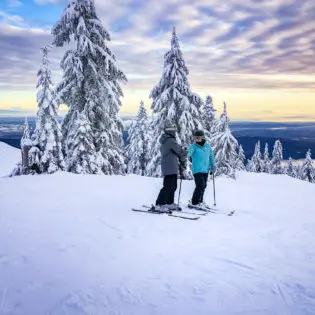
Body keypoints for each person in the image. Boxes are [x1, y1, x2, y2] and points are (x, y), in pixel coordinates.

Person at [154, 122, 186, 211]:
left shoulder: (166, 140)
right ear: (172, 132)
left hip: (169, 166)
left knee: (172, 186)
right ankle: (160, 204)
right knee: (169, 186)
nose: (175, 132)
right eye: (174, 131)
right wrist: (184, 153)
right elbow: (179, 151)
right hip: (171, 167)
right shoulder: (171, 141)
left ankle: (169, 203)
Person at [187, 130, 216, 208]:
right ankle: (195, 202)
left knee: (204, 186)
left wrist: (213, 166)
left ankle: (200, 201)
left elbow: (211, 157)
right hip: (197, 169)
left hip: (205, 170)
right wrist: (185, 154)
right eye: (195, 138)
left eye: (198, 137)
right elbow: (188, 153)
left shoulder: (207, 146)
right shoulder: (193, 146)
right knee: (200, 185)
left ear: (202, 137)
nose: (196, 139)